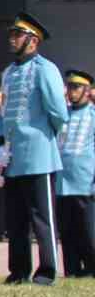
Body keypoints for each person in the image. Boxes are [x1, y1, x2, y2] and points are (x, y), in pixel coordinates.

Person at [0, 12, 68, 285]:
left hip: (38, 155)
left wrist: (43, 138)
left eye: (18, 35)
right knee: (16, 220)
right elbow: (3, 113)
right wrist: (0, 141)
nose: (12, 39)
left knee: (42, 218)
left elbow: (59, 113)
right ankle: (19, 270)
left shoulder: (44, 69)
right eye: (11, 34)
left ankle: (47, 270)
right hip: (13, 156)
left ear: (33, 40)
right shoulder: (9, 73)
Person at [55, 69, 95, 277]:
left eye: (76, 87)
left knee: (88, 231)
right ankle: (71, 270)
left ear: (88, 90)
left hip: (85, 182)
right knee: (67, 232)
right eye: (69, 87)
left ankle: (91, 268)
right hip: (63, 183)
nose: (71, 91)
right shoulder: (63, 115)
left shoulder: (93, 114)